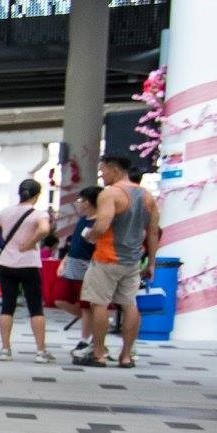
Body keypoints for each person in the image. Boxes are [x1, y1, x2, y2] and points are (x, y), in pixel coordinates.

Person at [76, 154, 160, 369]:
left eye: (103, 170)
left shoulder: (110, 193)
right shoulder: (148, 196)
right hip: (132, 261)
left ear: (113, 169)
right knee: (129, 304)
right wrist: (151, 262)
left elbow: (102, 225)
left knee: (99, 303)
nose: (101, 175)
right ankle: (125, 356)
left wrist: (89, 235)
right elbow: (152, 233)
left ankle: (99, 354)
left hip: (107, 258)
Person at [0, 179, 55, 363]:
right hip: (29, 263)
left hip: (6, 263)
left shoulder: (5, 212)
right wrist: (30, 243)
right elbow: (44, 229)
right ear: (36, 195)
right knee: (35, 307)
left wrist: (6, 246)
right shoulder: (39, 214)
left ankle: (5, 349)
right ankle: (40, 351)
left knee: (7, 306)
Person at [59, 186, 100, 350]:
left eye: (81, 200)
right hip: (73, 263)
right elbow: (74, 244)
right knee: (59, 297)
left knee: (86, 304)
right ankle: (96, 324)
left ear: (90, 202)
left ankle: (86, 338)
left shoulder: (99, 221)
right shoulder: (83, 219)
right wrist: (64, 260)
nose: (79, 203)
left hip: (88, 265)